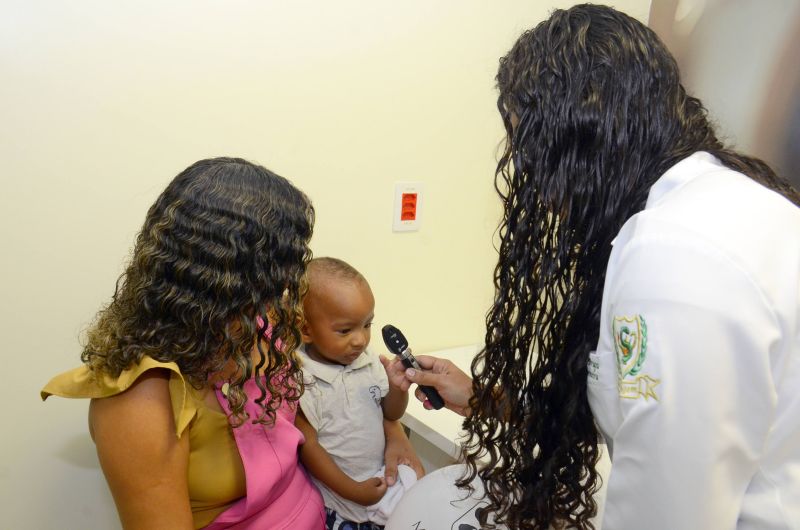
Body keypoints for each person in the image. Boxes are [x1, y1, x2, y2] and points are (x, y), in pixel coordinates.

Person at [389, 5, 800, 530]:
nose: (533, 182)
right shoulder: (718, 205)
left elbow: (667, 515)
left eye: (534, 154)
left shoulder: (674, 258)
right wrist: (484, 399)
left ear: (581, 141)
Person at [41, 158, 422, 529]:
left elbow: (343, 380)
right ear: (230, 277)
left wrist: (393, 432)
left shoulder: (261, 325)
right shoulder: (139, 400)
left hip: (323, 511)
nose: (288, 283)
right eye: (280, 267)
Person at [295, 257, 418, 530]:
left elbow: (391, 413)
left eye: (367, 325)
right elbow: (308, 448)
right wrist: (353, 490)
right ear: (306, 329)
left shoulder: (367, 359)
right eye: (345, 330)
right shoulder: (303, 378)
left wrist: (398, 389)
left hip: (381, 482)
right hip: (341, 501)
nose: (361, 339)